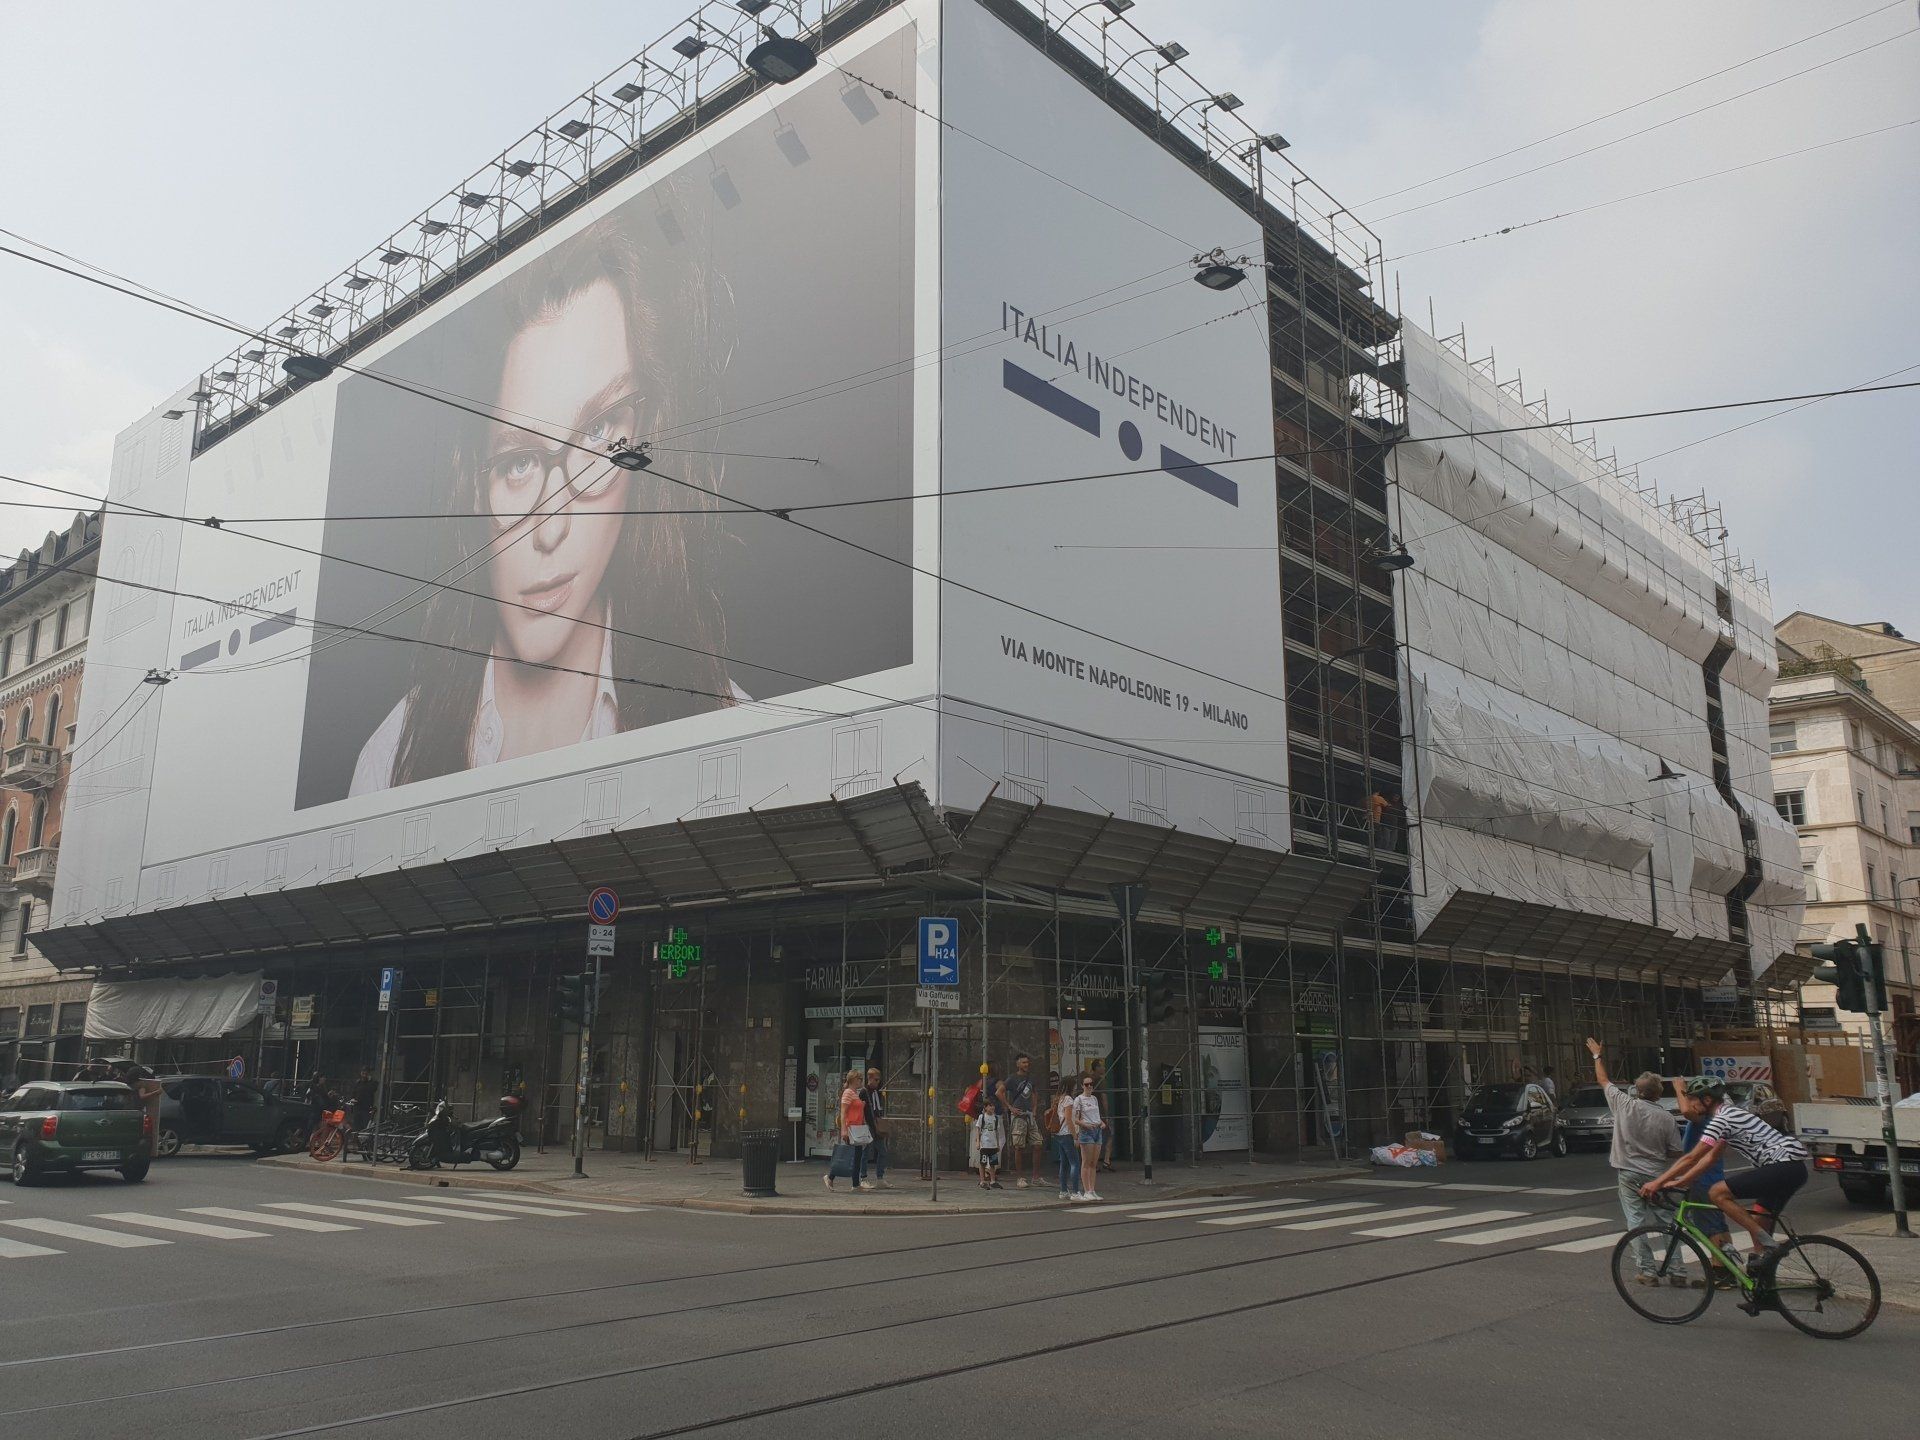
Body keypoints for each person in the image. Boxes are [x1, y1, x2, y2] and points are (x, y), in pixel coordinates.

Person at [350, 219, 738, 796]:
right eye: (517, 463)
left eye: (598, 434)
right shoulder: (390, 761)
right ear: (470, 484)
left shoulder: (727, 730)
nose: (551, 528)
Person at [1640, 1077, 1811, 1267]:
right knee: (1759, 1217)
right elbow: (1709, 1159)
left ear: (1707, 1100)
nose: (1691, 1104)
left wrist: (1657, 1182)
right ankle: (1764, 1281)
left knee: (1717, 1192)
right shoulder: (1730, 1114)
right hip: (1792, 1169)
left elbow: (1692, 1157)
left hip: (1783, 1165)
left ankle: (1768, 1243)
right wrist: (1682, 1180)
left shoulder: (1721, 1119)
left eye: (1693, 1099)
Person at [1584, 1037, 1682, 1287]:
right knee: (1667, 1222)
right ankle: (1678, 1270)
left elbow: (1603, 1080)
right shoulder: (1667, 1118)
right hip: (1657, 1175)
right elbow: (1675, 1151)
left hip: (1628, 1173)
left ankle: (1647, 1271)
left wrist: (1597, 1055)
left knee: (1635, 1222)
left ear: (1637, 1091)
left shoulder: (1624, 1105)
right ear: (1659, 1094)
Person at [826, 1067, 870, 1193]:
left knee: (856, 1155)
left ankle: (854, 1184)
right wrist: (844, 1130)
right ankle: (832, 1177)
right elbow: (844, 1112)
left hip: (857, 1128)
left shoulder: (854, 1093)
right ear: (853, 1080)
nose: (861, 1081)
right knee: (851, 1155)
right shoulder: (848, 1093)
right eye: (859, 1078)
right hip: (851, 1128)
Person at [1005, 1052, 1042, 1189]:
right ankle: (1020, 1177)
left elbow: (1034, 1093)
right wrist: (1010, 1107)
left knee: (1038, 1144)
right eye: (1024, 1062)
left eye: (1027, 1062)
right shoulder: (1012, 1078)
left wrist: (1035, 1108)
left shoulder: (1031, 1078)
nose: (1027, 1064)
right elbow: (999, 1092)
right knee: (1019, 1147)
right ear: (1018, 1064)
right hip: (1018, 1115)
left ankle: (1036, 1177)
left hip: (1029, 1115)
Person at [1071, 1072, 1105, 1202]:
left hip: (1097, 1129)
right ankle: (1086, 1190)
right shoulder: (1079, 1100)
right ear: (1082, 1086)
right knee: (1086, 1161)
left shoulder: (1094, 1099)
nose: (1089, 1086)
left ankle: (1092, 1189)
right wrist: (1085, 1125)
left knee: (1093, 1163)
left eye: (1091, 1084)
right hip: (1087, 1131)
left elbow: (1097, 1115)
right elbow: (1076, 1119)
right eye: (1086, 1084)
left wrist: (1101, 1122)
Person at [859, 1065, 892, 1190]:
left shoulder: (877, 1092)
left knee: (882, 1151)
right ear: (870, 1079)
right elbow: (861, 1109)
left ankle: (880, 1178)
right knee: (866, 1152)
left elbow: (878, 1108)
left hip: (876, 1126)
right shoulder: (864, 1092)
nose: (878, 1082)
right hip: (868, 1125)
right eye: (876, 1080)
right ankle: (863, 1178)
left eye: (879, 1080)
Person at [1049, 1073, 1081, 1200]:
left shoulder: (1059, 1098)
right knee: (1075, 1163)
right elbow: (1069, 1119)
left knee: (1064, 1163)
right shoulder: (1068, 1099)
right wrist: (1075, 1137)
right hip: (1067, 1133)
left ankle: (1063, 1190)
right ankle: (1075, 1192)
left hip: (1059, 1134)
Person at [974, 1087, 1004, 1190]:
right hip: (984, 1144)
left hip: (993, 1145)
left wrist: (998, 1144)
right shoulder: (982, 1117)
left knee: (992, 1163)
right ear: (985, 1107)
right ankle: (982, 1180)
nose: (992, 1108)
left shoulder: (995, 1118)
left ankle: (992, 1181)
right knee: (982, 1163)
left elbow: (996, 1131)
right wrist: (978, 1142)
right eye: (990, 1106)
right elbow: (978, 1130)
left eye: (993, 1106)